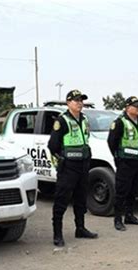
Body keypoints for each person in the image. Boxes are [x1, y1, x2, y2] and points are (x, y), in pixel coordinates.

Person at [48, 89, 98, 247]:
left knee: (81, 198)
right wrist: (62, 161)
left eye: (81, 100)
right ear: (68, 103)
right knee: (62, 200)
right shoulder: (61, 121)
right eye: (76, 100)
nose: (79, 103)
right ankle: (57, 234)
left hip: (83, 165)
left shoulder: (84, 119)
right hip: (69, 167)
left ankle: (80, 228)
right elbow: (53, 146)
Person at [107, 96, 138, 231]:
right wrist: (118, 158)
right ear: (127, 108)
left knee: (134, 189)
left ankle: (129, 215)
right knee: (122, 191)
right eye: (135, 106)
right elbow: (112, 141)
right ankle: (118, 219)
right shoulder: (120, 122)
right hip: (125, 162)